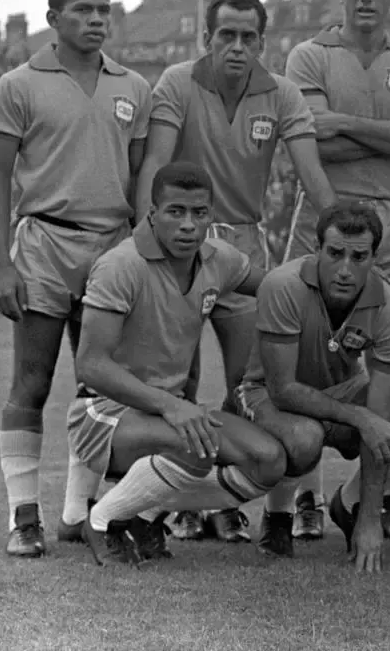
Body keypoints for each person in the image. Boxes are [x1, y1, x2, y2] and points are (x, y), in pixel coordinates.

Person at [134, 0, 336, 543]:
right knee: (177, 381)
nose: (238, 46)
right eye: (227, 35)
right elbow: (156, 164)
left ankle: (225, 498)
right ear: (207, 38)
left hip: (245, 249)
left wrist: (345, 235)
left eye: (249, 36)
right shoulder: (177, 82)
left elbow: (312, 177)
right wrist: (143, 241)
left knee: (249, 384)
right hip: (181, 244)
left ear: (263, 42)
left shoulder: (283, 94)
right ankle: (166, 506)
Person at [0, 0, 152, 557]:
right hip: (45, 246)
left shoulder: (133, 86)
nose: (96, 19)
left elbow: (140, 178)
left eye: (104, 9)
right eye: (83, 10)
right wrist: (1, 263)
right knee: (30, 383)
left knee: (99, 388)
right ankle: (21, 518)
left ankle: (76, 513)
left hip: (112, 247)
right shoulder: (19, 84)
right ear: (54, 19)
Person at [280, 0, 390, 542]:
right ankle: (303, 499)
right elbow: (312, 146)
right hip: (324, 216)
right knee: (304, 362)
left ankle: (375, 497)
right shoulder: (310, 55)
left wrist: (344, 123)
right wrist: (387, 141)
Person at [70, 162, 283, 566]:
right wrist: (171, 405)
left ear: (211, 217)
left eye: (199, 214)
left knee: (267, 459)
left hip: (171, 415)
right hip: (102, 415)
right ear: (152, 213)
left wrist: (329, 279)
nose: (188, 225)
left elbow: (279, 287)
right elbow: (91, 366)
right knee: (195, 444)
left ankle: (145, 514)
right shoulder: (121, 265)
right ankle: (101, 520)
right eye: (175, 212)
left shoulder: (219, 259)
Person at [238, 201, 390, 574]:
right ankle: (277, 515)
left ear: (375, 257)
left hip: (344, 392)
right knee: (304, 438)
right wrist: (359, 417)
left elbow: (380, 409)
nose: (345, 269)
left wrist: (371, 520)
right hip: (267, 394)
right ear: (317, 250)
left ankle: (352, 503)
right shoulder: (282, 285)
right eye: (335, 253)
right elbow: (283, 390)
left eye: (359, 257)